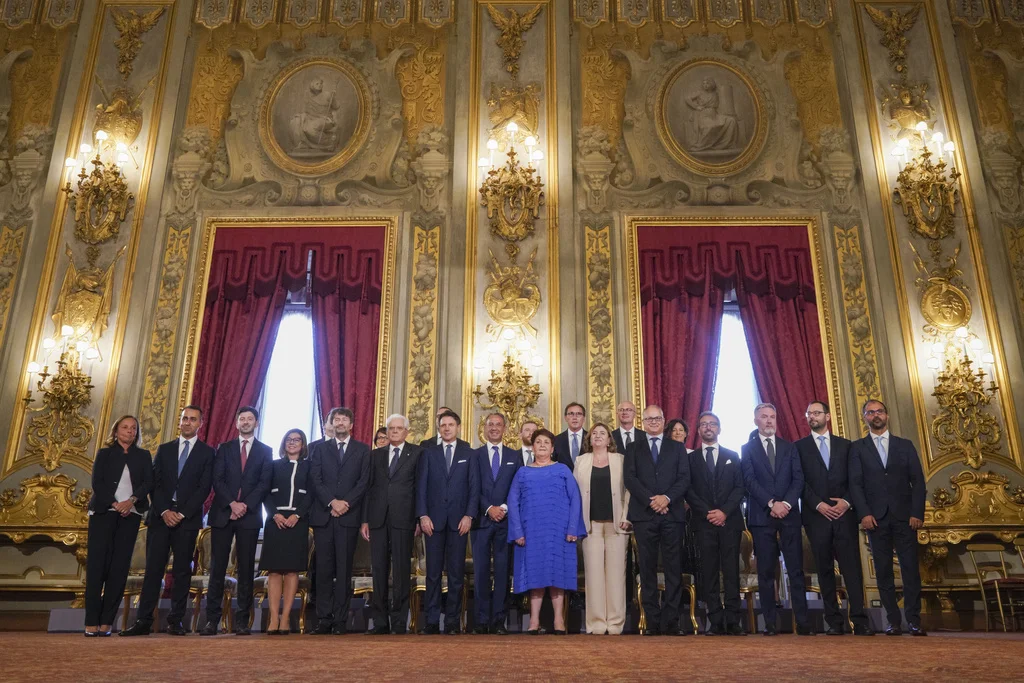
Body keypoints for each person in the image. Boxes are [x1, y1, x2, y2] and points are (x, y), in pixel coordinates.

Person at [120, 406, 214, 637]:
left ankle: (175, 621)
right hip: (161, 518)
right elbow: (155, 483)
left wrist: (181, 513)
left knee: (182, 572)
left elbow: (204, 488)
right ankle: (143, 620)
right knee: (153, 570)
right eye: (185, 419)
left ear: (200, 424)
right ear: (179, 422)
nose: (188, 423)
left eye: (193, 419)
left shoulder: (207, 453)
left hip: (187, 520)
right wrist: (164, 511)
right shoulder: (164, 450)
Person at [849, 400, 926, 637]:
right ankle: (892, 621)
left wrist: (917, 513)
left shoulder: (905, 445)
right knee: (883, 572)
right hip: (876, 519)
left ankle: (914, 621)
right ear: (864, 418)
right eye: (870, 413)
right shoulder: (858, 448)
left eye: (879, 411)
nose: (876, 416)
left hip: (905, 517)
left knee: (910, 569)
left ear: (887, 415)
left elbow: (918, 482)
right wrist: (864, 514)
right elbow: (855, 484)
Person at [796, 401, 873, 636]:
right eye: (809, 413)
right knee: (824, 570)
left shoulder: (846, 446)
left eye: (817, 413)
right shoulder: (798, 447)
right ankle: (834, 622)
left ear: (827, 417)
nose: (812, 417)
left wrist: (846, 502)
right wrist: (818, 505)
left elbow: (856, 480)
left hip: (844, 515)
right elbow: (799, 481)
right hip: (816, 516)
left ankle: (859, 620)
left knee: (851, 569)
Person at [201, 406, 273, 636]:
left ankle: (242, 621)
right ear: (236, 423)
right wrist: (232, 503)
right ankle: (212, 620)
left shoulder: (265, 451)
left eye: (250, 419)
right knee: (217, 568)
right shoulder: (224, 448)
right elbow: (217, 479)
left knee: (245, 570)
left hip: (249, 517)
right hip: (223, 513)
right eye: (242, 418)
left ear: (257, 423)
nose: (245, 422)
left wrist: (245, 506)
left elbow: (264, 483)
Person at [740, 403, 811, 636]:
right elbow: (749, 481)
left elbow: (798, 479)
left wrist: (786, 504)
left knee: (796, 571)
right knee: (766, 573)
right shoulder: (747, 449)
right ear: (755, 421)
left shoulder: (789, 448)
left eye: (772, 417)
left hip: (790, 516)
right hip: (762, 517)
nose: (769, 421)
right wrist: (772, 503)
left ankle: (802, 623)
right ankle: (770, 624)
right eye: (764, 417)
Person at [508, 429, 587, 635]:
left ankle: (559, 621)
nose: (542, 445)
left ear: (552, 448)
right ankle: (533, 621)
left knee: (557, 575)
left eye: (546, 442)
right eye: (538, 442)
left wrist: (572, 529)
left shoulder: (562, 470)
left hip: (558, 533)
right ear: (532, 447)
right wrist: (517, 531)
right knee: (535, 575)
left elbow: (575, 500)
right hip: (531, 532)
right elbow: (512, 502)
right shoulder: (523, 472)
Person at [624, 404, 690, 636]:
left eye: (657, 418)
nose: (653, 422)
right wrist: (652, 501)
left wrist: (667, 499)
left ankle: (671, 621)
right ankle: (651, 621)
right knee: (647, 569)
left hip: (672, 515)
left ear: (664, 421)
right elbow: (630, 478)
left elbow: (684, 478)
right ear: (643, 422)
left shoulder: (677, 447)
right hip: (644, 515)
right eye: (649, 419)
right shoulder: (633, 447)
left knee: (673, 569)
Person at [84, 415, 152, 637]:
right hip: (104, 513)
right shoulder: (105, 454)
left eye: (134, 428)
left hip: (129, 515)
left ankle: (107, 623)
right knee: (97, 568)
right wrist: (114, 503)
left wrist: (130, 502)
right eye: (125, 427)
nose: (130, 431)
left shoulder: (143, 456)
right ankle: (91, 621)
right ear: (116, 431)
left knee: (118, 569)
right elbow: (98, 483)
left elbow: (147, 483)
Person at [308, 407, 371, 635]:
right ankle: (324, 619)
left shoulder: (363, 450)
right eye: (336, 419)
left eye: (344, 419)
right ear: (331, 424)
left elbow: (363, 482)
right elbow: (315, 479)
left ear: (351, 424)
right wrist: (332, 502)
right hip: (324, 517)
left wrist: (345, 503)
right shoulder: (319, 449)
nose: (340, 422)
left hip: (348, 517)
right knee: (323, 570)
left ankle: (340, 620)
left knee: (344, 570)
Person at [417, 410, 478, 634]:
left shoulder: (468, 453)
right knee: (433, 574)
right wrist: (423, 515)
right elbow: (421, 487)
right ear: (439, 428)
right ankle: (432, 621)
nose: (447, 428)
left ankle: (453, 621)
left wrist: (469, 516)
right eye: (443, 425)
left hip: (459, 523)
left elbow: (474, 488)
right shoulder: (428, 453)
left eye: (451, 425)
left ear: (458, 427)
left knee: (455, 574)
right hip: (432, 522)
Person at [684, 412, 745, 636]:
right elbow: (688, 490)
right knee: (708, 573)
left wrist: (724, 512)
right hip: (703, 523)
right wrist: (709, 513)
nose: (708, 428)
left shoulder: (733, 456)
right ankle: (715, 620)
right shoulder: (690, 459)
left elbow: (740, 488)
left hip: (729, 523)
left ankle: (733, 620)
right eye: (703, 425)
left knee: (731, 572)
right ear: (698, 430)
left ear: (719, 429)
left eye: (712, 424)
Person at [362, 414, 423, 634]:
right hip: (377, 519)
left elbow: (420, 488)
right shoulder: (375, 455)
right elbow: (368, 489)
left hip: (404, 519)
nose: (395, 431)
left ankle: (398, 622)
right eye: (391, 428)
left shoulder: (417, 453)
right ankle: (380, 622)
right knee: (378, 570)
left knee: (401, 571)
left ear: (407, 431)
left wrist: (418, 517)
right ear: (386, 432)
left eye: (399, 428)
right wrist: (365, 520)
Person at [573, 423, 631, 635]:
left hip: (617, 524)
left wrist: (627, 517)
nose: (598, 436)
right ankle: (596, 622)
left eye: (602, 433)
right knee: (594, 574)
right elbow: (574, 495)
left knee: (616, 576)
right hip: (590, 526)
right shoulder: (581, 461)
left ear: (609, 439)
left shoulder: (621, 460)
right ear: (589, 439)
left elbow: (628, 491)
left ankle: (615, 623)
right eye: (594, 433)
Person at [471, 413, 521, 634]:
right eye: (490, 424)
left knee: (502, 572)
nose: (493, 428)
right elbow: (472, 488)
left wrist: (504, 509)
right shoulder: (475, 455)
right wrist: (488, 508)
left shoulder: (514, 456)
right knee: (481, 571)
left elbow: (517, 488)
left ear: (504, 428)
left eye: (498, 424)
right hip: (481, 521)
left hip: (506, 522)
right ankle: (481, 621)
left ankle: (498, 620)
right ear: (484, 428)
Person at [260, 429, 312, 634]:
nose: (292, 443)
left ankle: (286, 619)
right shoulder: (273, 466)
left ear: (303, 444)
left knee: (292, 571)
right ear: (284, 443)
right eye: (289, 440)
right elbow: (264, 493)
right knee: (274, 571)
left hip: (297, 522)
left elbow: (311, 494)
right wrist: (275, 514)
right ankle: (273, 618)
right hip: (276, 521)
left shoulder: (308, 467)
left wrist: (297, 515)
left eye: (297, 440)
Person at [553, 403, 587, 472]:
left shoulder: (591, 438)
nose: (575, 417)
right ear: (565, 418)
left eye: (579, 414)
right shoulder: (556, 440)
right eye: (571, 414)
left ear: (584, 418)